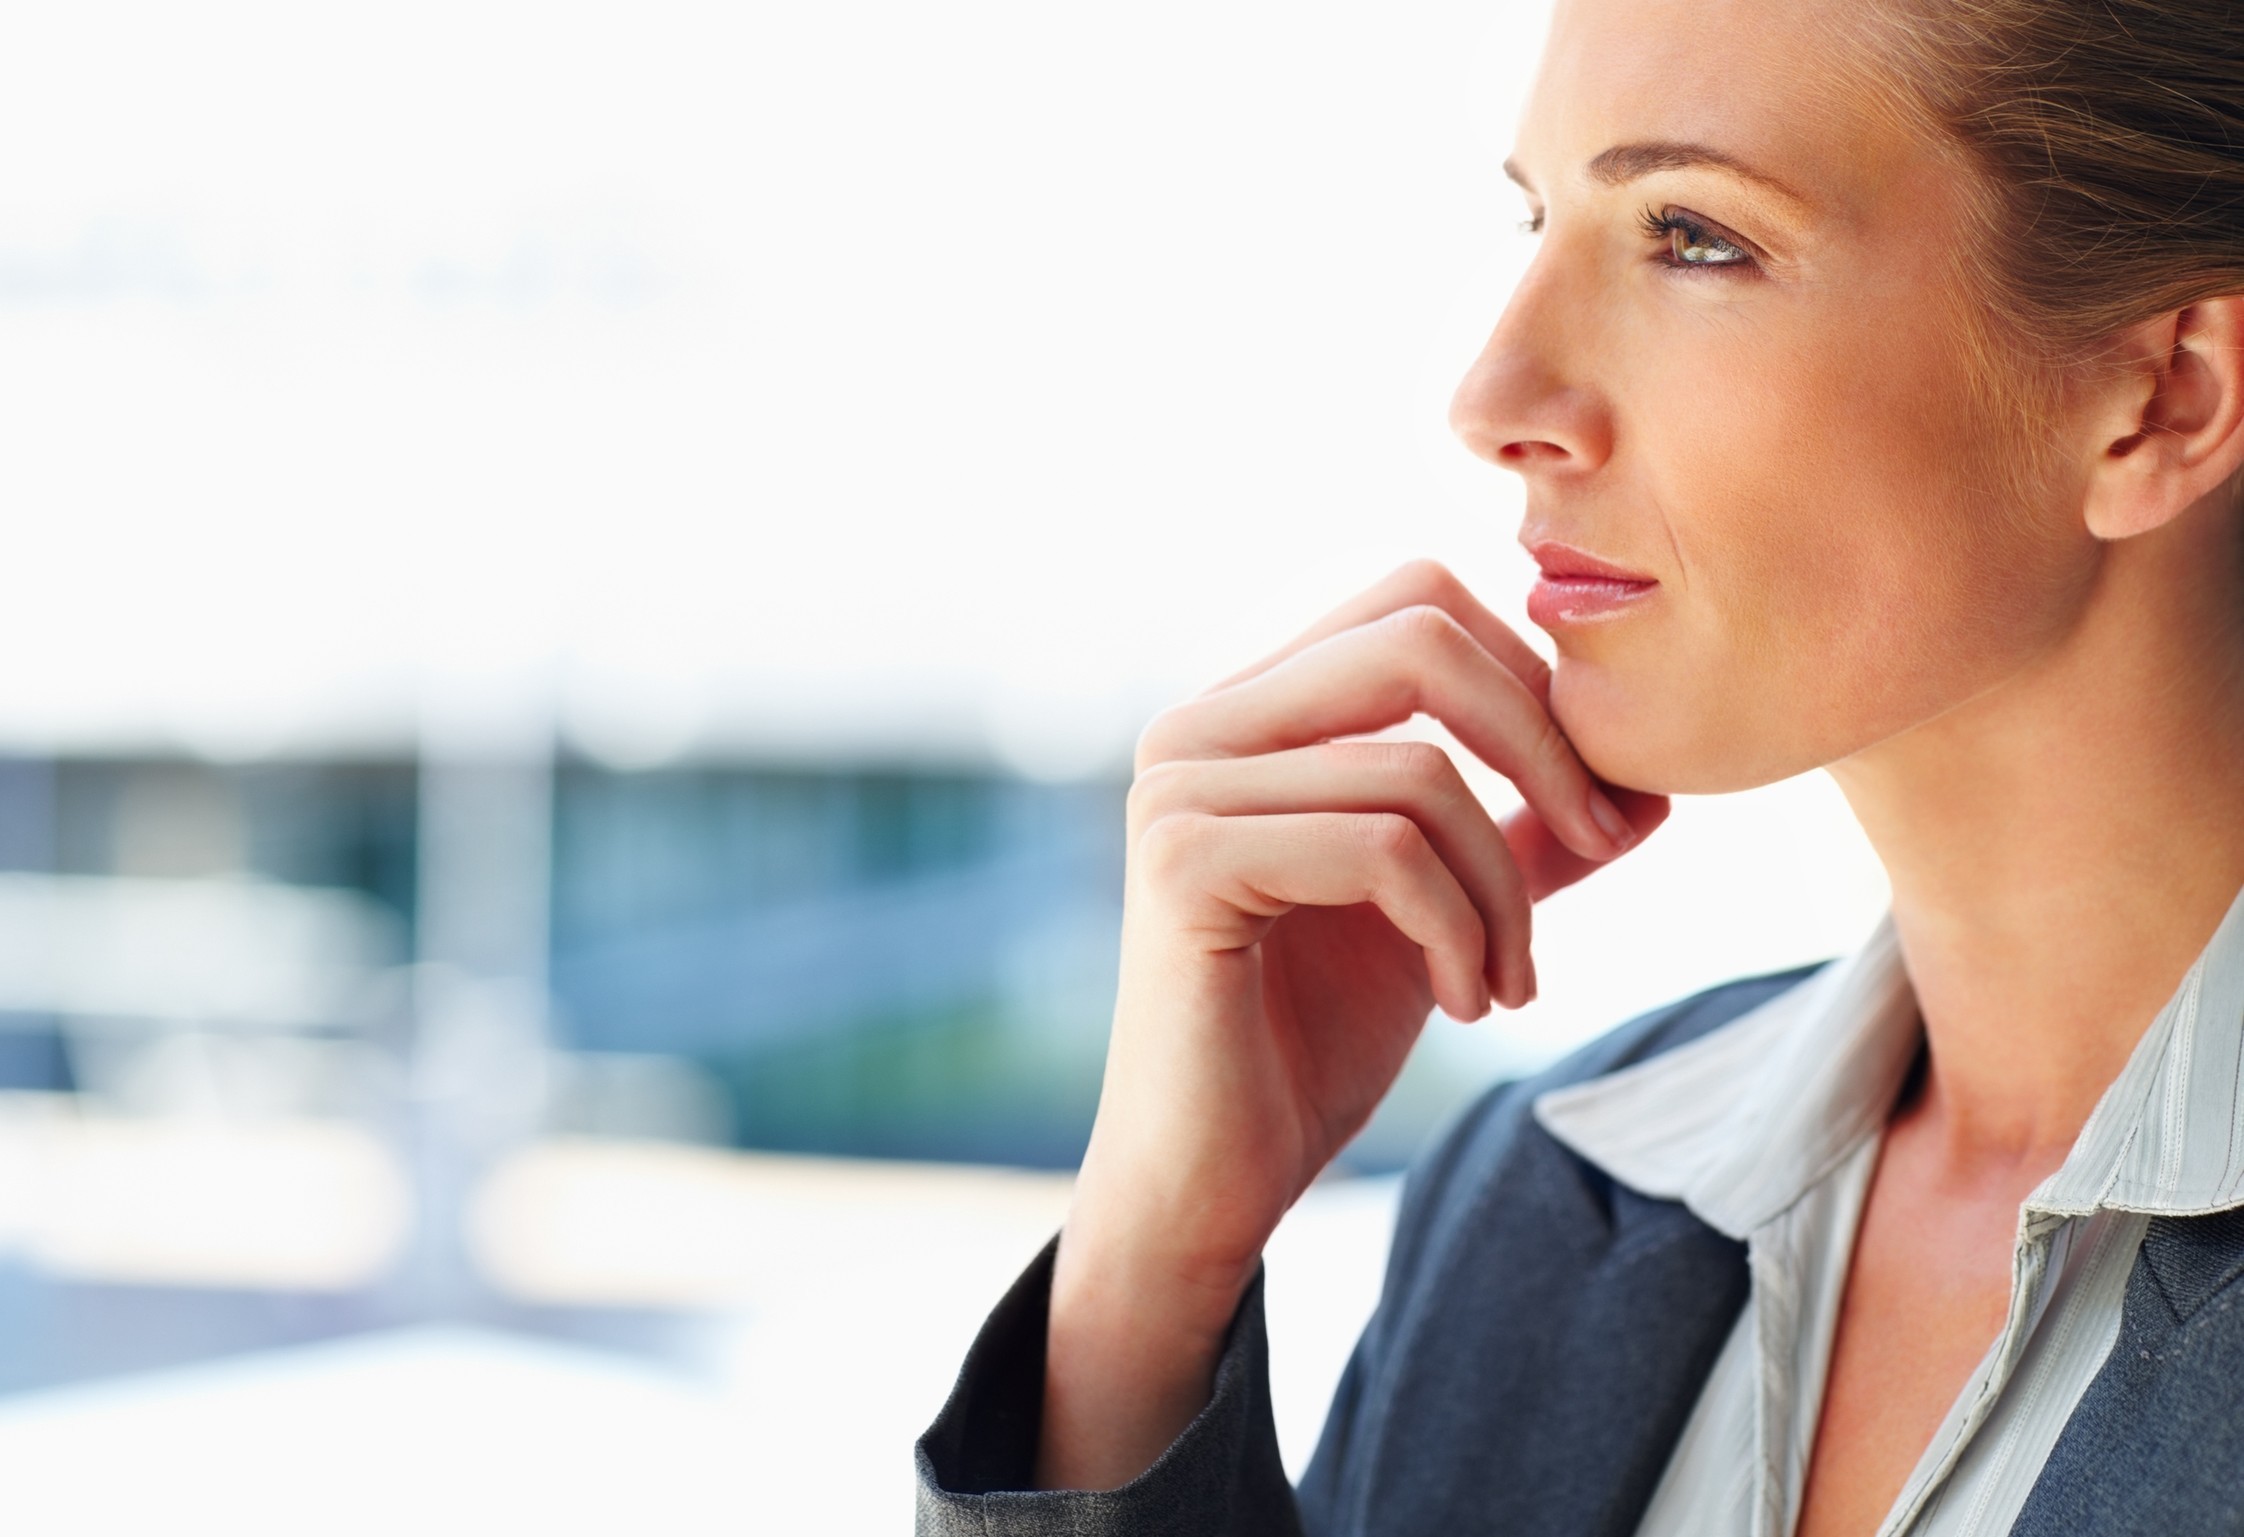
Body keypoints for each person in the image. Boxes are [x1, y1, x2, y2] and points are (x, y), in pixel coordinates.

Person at [912, 0, 2244, 1532]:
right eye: (1539, 217)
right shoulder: (1539, 1200)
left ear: (2164, 397)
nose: (1490, 401)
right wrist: (1148, 1275)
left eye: (1692, 236)